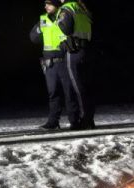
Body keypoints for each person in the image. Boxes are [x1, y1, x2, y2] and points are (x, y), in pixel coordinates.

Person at [29, 0, 80, 130]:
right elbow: (33, 38)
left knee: (69, 93)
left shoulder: (63, 18)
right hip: (49, 64)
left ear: (57, 5)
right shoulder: (43, 19)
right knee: (53, 94)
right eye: (45, 4)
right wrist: (39, 29)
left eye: (49, 4)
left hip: (64, 60)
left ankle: (75, 121)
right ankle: (53, 122)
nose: (45, 6)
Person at [57, 0, 94, 129]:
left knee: (77, 88)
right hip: (85, 50)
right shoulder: (81, 7)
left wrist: (58, 22)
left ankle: (84, 120)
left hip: (74, 51)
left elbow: (66, 29)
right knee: (85, 86)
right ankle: (89, 119)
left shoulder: (66, 8)